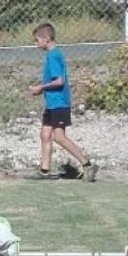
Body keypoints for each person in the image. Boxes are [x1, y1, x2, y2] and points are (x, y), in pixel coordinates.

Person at [29, 23, 96, 181]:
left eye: (37, 39)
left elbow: (59, 81)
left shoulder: (53, 56)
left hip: (60, 103)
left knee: (58, 137)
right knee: (45, 134)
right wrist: (42, 90)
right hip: (51, 103)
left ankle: (87, 165)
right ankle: (44, 171)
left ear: (46, 39)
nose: (35, 43)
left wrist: (41, 87)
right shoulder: (52, 55)